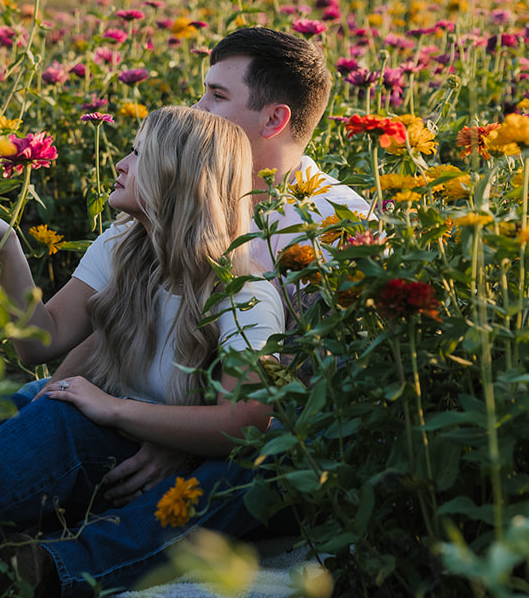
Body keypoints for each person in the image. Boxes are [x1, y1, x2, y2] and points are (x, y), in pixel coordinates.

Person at [0, 106, 284, 598]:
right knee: (20, 402)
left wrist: (116, 409)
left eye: (139, 153)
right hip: (121, 446)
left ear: (178, 176)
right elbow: (39, 342)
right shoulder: (123, 244)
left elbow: (247, 420)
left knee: (71, 418)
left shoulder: (241, 291)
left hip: (179, 456)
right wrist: (7, 246)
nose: (121, 162)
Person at [60, 25, 371, 503]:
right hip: (160, 407)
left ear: (274, 119)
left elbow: (331, 373)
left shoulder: (336, 224)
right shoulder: (182, 188)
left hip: (268, 438)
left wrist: (186, 441)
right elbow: (116, 320)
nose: (198, 109)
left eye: (216, 95)